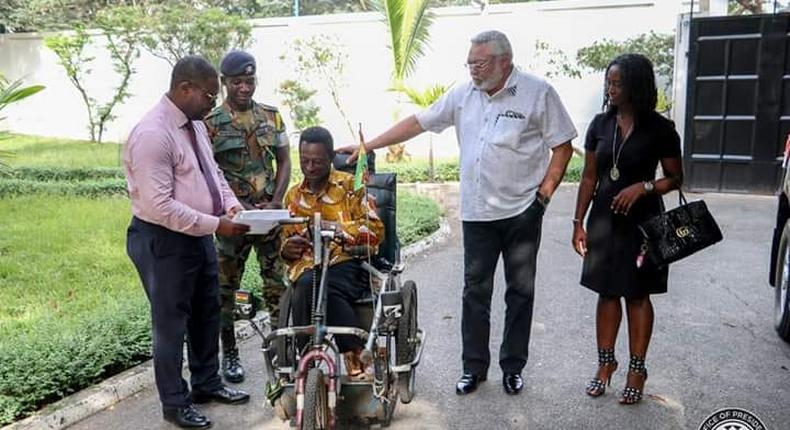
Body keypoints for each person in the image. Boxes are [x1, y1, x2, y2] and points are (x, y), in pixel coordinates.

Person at [340, 30, 576, 395]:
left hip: (521, 213)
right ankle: (473, 368)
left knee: (520, 292)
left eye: (479, 63)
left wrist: (543, 197)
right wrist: (368, 144)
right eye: (469, 63)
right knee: (475, 293)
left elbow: (562, 146)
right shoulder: (463, 94)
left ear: (504, 62)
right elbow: (418, 121)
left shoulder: (537, 92)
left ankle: (513, 367)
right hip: (478, 213)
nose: (472, 71)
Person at [124, 55, 251, 429]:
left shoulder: (193, 124)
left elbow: (213, 174)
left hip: (197, 235)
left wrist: (231, 205)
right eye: (210, 96)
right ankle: (175, 404)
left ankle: (207, 383)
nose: (214, 102)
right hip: (163, 240)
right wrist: (217, 224)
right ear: (184, 89)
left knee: (206, 312)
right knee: (171, 324)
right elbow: (159, 206)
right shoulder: (153, 134)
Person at [571, 53, 683, 405]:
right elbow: (589, 176)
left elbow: (675, 178)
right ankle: (606, 365)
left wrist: (644, 187)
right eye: (609, 82)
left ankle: (637, 369)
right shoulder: (599, 125)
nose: (611, 88)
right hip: (604, 221)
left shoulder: (661, 129)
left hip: (644, 224)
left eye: (617, 83)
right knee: (606, 293)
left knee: (637, 295)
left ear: (636, 85)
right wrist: (578, 222)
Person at [204, 50, 291, 384]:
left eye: (249, 81)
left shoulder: (272, 116)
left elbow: (284, 160)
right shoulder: (211, 124)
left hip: (269, 218)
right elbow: (210, 173)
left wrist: (277, 199)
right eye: (237, 82)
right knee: (225, 289)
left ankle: (284, 349)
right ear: (225, 83)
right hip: (233, 221)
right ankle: (231, 355)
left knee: (276, 286)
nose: (244, 87)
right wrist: (237, 205)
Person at [280, 126, 384, 378]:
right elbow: (284, 240)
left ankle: (354, 353)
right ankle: (308, 359)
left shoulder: (350, 185)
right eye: (304, 161)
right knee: (307, 283)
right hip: (306, 265)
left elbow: (375, 229)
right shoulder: (293, 196)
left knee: (324, 286)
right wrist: (287, 248)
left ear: (330, 158)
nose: (310, 167)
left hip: (345, 261)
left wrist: (337, 229)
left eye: (317, 161)